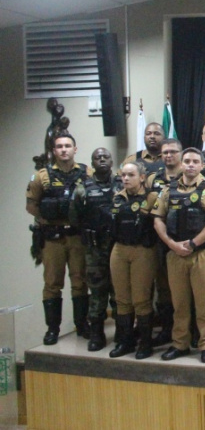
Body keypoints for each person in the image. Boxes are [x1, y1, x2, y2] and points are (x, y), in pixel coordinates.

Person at [153, 147, 205, 363]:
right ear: (181, 163)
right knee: (180, 303)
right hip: (175, 254)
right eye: (187, 161)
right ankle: (180, 344)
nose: (191, 165)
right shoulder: (167, 190)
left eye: (196, 161)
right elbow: (158, 219)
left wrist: (194, 243)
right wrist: (171, 244)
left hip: (201, 254)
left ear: (202, 165)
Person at [26, 133, 90, 345]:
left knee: (80, 282)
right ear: (54, 151)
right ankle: (52, 329)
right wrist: (49, 219)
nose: (64, 150)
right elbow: (31, 205)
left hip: (77, 237)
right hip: (53, 238)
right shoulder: (41, 176)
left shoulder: (86, 173)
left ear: (75, 149)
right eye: (59, 146)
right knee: (52, 283)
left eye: (67, 146)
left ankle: (82, 325)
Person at [70, 147, 121, 351]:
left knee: (120, 292)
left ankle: (122, 332)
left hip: (118, 245)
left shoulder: (122, 184)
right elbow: (75, 218)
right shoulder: (82, 188)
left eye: (105, 157)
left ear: (111, 161)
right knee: (98, 291)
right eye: (97, 158)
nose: (101, 160)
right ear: (92, 163)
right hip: (94, 248)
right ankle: (97, 334)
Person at [107, 162, 159, 359]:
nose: (126, 179)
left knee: (141, 298)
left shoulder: (152, 197)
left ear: (142, 177)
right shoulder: (117, 198)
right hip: (120, 249)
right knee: (122, 299)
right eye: (123, 175)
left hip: (142, 250)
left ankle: (145, 343)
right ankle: (126, 341)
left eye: (131, 175)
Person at [146, 138, 184, 348]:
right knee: (163, 287)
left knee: (189, 290)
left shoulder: (191, 175)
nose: (168, 156)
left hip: (188, 240)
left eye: (173, 152)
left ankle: (192, 331)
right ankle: (168, 329)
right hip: (161, 241)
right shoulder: (152, 179)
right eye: (165, 153)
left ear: (180, 153)